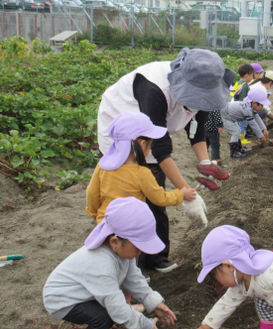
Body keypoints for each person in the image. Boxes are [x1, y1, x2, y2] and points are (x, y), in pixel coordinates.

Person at [97, 47, 234, 273]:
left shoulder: (203, 91)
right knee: (136, 201)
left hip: (152, 135)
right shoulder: (154, 89)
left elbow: (197, 130)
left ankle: (157, 257)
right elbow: (160, 149)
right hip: (124, 129)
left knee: (155, 193)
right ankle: (134, 267)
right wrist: (186, 193)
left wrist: (205, 162)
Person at [43, 197, 178, 329]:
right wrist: (145, 327)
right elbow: (116, 306)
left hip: (85, 293)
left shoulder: (122, 252)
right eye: (138, 248)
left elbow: (134, 279)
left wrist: (153, 302)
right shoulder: (100, 265)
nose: (141, 253)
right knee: (103, 317)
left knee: (107, 312)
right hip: (62, 300)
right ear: (115, 241)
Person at [86, 111, 196, 226]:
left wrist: (95, 213)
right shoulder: (141, 173)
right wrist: (181, 194)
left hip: (105, 224)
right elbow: (160, 198)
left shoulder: (103, 166)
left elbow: (92, 193)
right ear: (143, 144)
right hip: (130, 227)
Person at [221, 88, 270, 158]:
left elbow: (257, 117)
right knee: (236, 132)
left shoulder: (251, 106)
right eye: (261, 105)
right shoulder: (247, 110)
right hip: (225, 117)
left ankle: (240, 149)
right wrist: (261, 137)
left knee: (238, 131)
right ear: (254, 103)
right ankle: (234, 152)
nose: (262, 108)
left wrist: (264, 129)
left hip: (229, 116)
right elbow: (253, 125)